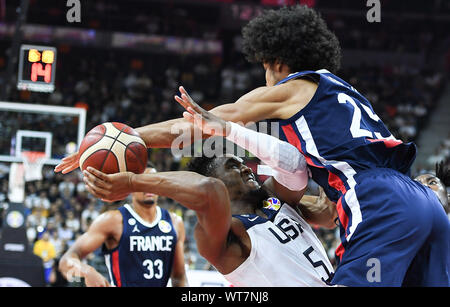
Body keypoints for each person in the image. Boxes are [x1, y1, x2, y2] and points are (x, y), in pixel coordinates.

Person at [55, 5, 449, 286]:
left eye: (263, 66)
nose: (263, 76)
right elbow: (293, 167)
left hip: (377, 199)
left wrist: (124, 137)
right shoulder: (337, 88)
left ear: (276, 60)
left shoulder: (291, 87)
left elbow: (192, 125)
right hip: (419, 200)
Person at [82, 153, 337, 286]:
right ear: (216, 181)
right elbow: (209, 193)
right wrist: (130, 181)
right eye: (233, 166)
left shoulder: (271, 198)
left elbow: (294, 166)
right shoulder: (227, 234)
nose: (247, 168)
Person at [58, 164, 188, 287]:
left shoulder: (175, 222)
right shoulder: (112, 220)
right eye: (143, 182)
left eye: (153, 181)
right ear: (130, 186)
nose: (149, 187)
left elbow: (179, 277)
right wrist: (86, 271)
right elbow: (66, 260)